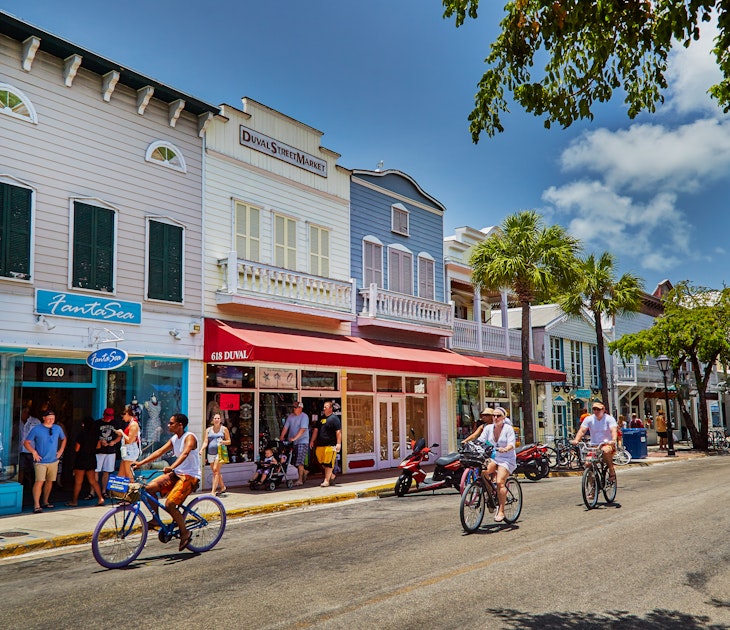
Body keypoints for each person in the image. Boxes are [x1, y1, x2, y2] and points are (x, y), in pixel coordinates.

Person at [132, 413, 201, 552]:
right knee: (149, 488)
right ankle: (156, 519)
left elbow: (185, 453)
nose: (168, 425)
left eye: (171, 423)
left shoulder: (190, 437)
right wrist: (140, 463)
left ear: (180, 425)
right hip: (176, 474)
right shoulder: (174, 439)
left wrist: (172, 466)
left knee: (170, 504)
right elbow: (159, 452)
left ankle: (185, 533)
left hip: (190, 476)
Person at [476, 406, 516, 522]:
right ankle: (490, 494)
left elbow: (511, 444)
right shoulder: (488, 428)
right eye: (494, 415)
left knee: (500, 482)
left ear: (503, 418)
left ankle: (501, 511)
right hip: (494, 457)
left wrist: (506, 448)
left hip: (507, 458)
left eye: (498, 416)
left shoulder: (508, 429)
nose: (495, 417)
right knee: (483, 471)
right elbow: (481, 440)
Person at [23, 409, 67, 513]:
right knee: (39, 481)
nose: (51, 420)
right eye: (49, 418)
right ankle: (36, 504)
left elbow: (64, 439)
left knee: (50, 481)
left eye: (53, 418)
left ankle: (45, 501)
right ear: (44, 418)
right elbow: (26, 442)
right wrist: (34, 452)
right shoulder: (37, 429)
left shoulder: (57, 428)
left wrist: (61, 451)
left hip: (53, 460)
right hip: (41, 461)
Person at [571, 402, 618, 483]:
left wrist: (613, 440)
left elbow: (614, 430)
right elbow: (582, 431)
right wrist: (576, 440)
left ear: (603, 410)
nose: (596, 411)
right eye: (594, 409)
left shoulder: (609, 419)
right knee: (588, 464)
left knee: (605, 451)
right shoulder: (589, 419)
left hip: (607, 444)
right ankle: (593, 488)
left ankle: (611, 469)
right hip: (594, 446)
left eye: (598, 409)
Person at [66, 417, 105, 507]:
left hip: (81, 459)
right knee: (93, 481)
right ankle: (100, 498)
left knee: (78, 482)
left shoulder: (81, 434)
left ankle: (74, 501)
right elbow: (98, 447)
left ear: (84, 424)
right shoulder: (95, 434)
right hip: (91, 458)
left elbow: (77, 448)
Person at [310, 401, 341, 487]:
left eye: (326, 407)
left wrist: (338, 444)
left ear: (330, 408)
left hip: (330, 445)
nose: (324, 409)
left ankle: (326, 481)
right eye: (324, 407)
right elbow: (316, 430)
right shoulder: (321, 418)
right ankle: (331, 475)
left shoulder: (334, 419)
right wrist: (312, 440)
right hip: (320, 445)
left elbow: (338, 432)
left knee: (328, 463)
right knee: (321, 462)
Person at [199, 412, 231, 496]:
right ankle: (223, 486)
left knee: (216, 470)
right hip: (210, 453)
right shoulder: (208, 430)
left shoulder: (224, 429)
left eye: (218, 418)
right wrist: (202, 449)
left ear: (221, 420)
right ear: (212, 420)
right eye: (215, 418)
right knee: (215, 471)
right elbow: (206, 441)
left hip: (219, 452)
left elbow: (229, 441)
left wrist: (223, 441)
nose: (216, 420)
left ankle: (213, 491)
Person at [280, 401, 309, 486]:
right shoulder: (290, 417)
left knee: (299, 461)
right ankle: (304, 471)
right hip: (292, 442)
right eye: (293, 407)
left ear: (300, 408)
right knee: (292, 461)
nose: (294, 409)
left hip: (302, 441)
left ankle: (300, 480)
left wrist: (295, 438)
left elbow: (303, 429)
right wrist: (282, 437)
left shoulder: (304, 416)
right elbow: (286, 427)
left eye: (296, 407)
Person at [95, 407, 122, 498]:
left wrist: (114, 442)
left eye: (110, 417)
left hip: (110, 451)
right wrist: (100, 441)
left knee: (107, 471)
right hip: (99, 451)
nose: (108, 419)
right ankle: (93, 491)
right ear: (103, 415)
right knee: (96, 471)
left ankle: (103, 491)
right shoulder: (97, 423)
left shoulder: (115, 423)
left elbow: (120, 436)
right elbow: (93, 436)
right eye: (107, 416)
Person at [114, 405, 141, 480]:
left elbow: (130, 440)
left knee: (128, 474)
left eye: (123, 416)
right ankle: (120, 491)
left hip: (130, 451)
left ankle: (133, 490)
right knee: (121, 474)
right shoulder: (131, 423)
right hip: (126, 450)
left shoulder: (133, 424)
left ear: (127, 414)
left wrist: (122, 433)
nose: (122, 419)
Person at [18, 406, 40, 486]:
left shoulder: (35, 421)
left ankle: (34, 487)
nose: (21, 415)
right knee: (21, 469)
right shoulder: (18, 422)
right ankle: (20, 486)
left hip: (32, 449)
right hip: (21, 450)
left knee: (34, 470)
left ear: (26, 412)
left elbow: (40, 435)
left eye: (22, 412)